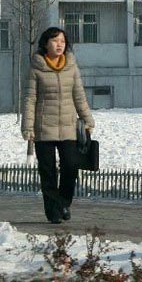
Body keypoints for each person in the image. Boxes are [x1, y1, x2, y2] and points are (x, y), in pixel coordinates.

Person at [22, 27, 95, 224]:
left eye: (62, 40)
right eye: (55, 41)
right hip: (43, 127)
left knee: (71, 166)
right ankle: (52, 211)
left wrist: (87, 119)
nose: (59, 44)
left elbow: (79, 95)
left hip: (68, 127)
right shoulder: (36, 67)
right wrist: (28, 127)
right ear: (46, 44)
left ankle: (63, 202)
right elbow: (30, 98)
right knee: (48, 172)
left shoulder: (71, 66)